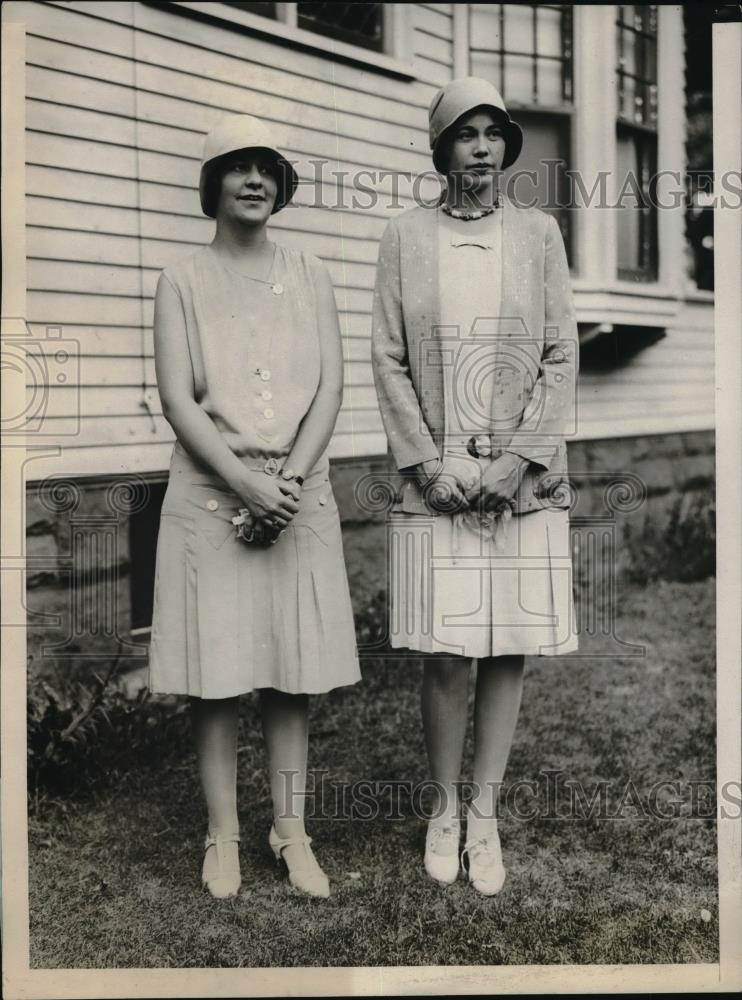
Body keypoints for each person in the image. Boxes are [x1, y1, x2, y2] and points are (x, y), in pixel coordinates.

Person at [371, 77, 579, 895]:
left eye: (494, 134)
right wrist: (428, 462)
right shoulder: (404, 236)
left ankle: (484, 813)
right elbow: (388, 357)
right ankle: (443, 808)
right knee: (446, 651)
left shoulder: (538, 236)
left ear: (508, 149)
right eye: (467, 135)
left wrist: (515, 458)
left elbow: (560, 353)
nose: (483, 150)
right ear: (442, 149)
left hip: (518, 477)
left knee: (508, 644)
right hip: (439, 479)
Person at [148, 114, 361, 900]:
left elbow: (331, 386)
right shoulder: (181, 279)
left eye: (267, 168)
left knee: (290, 669)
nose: (254, 181)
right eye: (238, 168)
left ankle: (291, 831)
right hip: (212, 495)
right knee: (217, 673)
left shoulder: (309, 271)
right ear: (212, 185)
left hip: (299, 491)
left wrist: (289, 485)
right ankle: (224, 834)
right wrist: (247, 485)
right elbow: (178, 398)